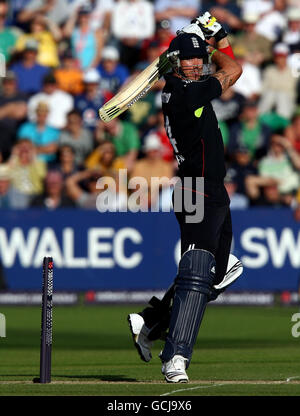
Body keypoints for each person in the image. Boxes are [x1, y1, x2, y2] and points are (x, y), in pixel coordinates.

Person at [127, 12, 243, 383]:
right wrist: (216, 36)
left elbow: (226, 69)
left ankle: (151, 319)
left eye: (200, 59)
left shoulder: (187, 86)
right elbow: (234, 69)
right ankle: (175, 356)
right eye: (189, 60)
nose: (196, 65)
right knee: (195, 272)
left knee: (221, 274)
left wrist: (205, 41)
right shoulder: (183, 93)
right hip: (194, 190)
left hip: (213, 191)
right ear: (175, 64)